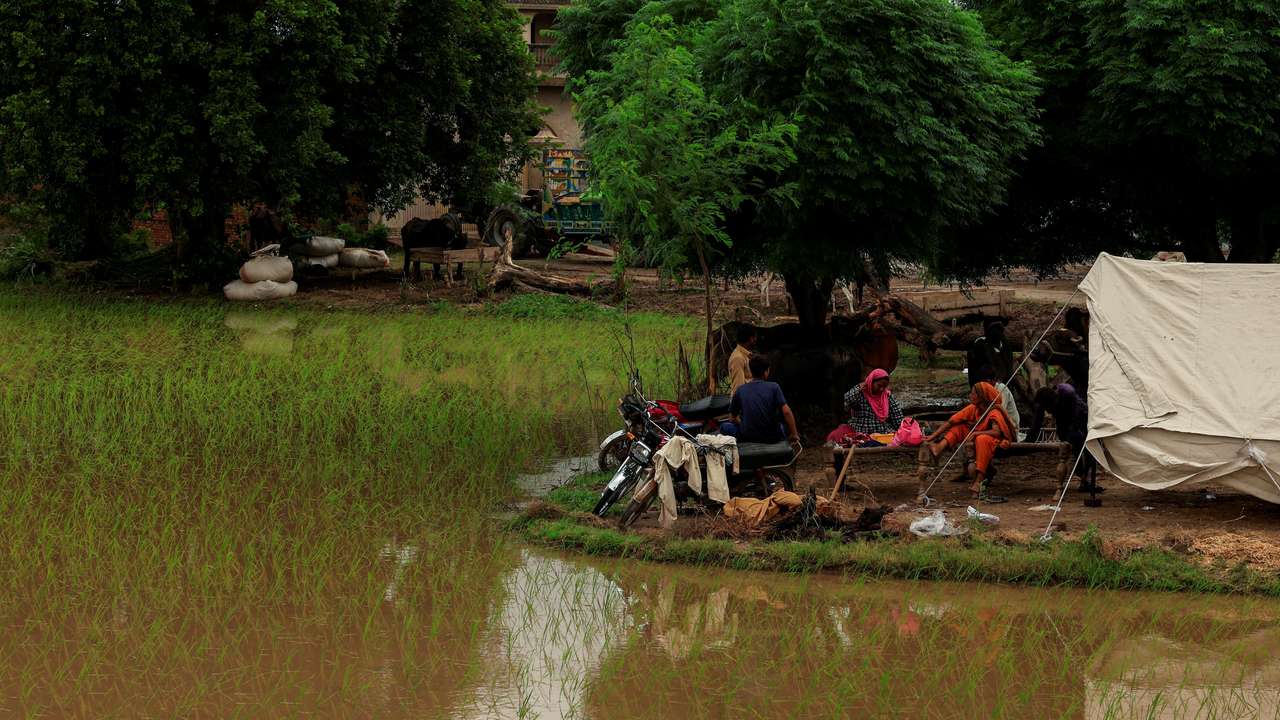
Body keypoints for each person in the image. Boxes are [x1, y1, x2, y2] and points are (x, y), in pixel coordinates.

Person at [924, 382, 1015, 501]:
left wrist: (976, 434)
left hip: (994, 440)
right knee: (959, 427)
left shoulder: (994, 411)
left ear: (981, 397)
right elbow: (951, 421)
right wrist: (932, 437)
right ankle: (939, 447)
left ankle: (978, 481)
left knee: (982, 439)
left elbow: (997, 432)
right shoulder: (973, 408)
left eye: (973, 394)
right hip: (978, 436)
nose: (970, 396)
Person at [1028, 383, 1099, 492]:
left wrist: (1068, 438)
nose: (1047, 411)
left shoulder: (1068, 393)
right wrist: (1029, 441)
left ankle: (1085, 479)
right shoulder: (1043, 399)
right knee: (1066, 448)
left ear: (1054, 401)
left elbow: (1075, 420)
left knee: (1084, 446)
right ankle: (1081, 476)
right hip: (1063, 420)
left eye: (1048, 408)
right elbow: (1037, 421)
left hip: (1082, 418)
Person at [722, 354, 800, 446]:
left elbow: (732, 418)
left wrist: (744, 424)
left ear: (751, 371)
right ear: (766, 372)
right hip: (772, 436)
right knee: (782, 427)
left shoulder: (741, 390)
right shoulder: (774, 387)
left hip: (747, 435)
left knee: (724, 426)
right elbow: (786, 412)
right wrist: (794, 434)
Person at [843, 368, 904, 435]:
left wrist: (902, 431)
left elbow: (897, 416)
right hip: (861, 431)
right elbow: (846, 402)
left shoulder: (887, 396)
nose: (881, 389)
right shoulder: (860, 394)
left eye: (884, 386)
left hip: (882, 432)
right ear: (871, 382)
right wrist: (858, 388)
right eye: (879, 385)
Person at [971, 366, 1021, 437]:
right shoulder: (984, 391)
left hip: (1010, 426)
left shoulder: (1001, 389)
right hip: (992, 423)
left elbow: (1000, 411)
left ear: (991, 380)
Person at [966, 321, 1014, 388]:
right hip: (984, 383)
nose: (997, 333)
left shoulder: (1005, 345)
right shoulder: (980, 344)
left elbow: (1009, 365)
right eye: (994, 329)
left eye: (999, 330)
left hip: (1003, 383)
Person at [728, 326, 757, 395]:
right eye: (755, 337)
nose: (756, 340)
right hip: (744, 400)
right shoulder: (738, 358)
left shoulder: (746, 355)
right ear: (751, 339)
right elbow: (739, 388)